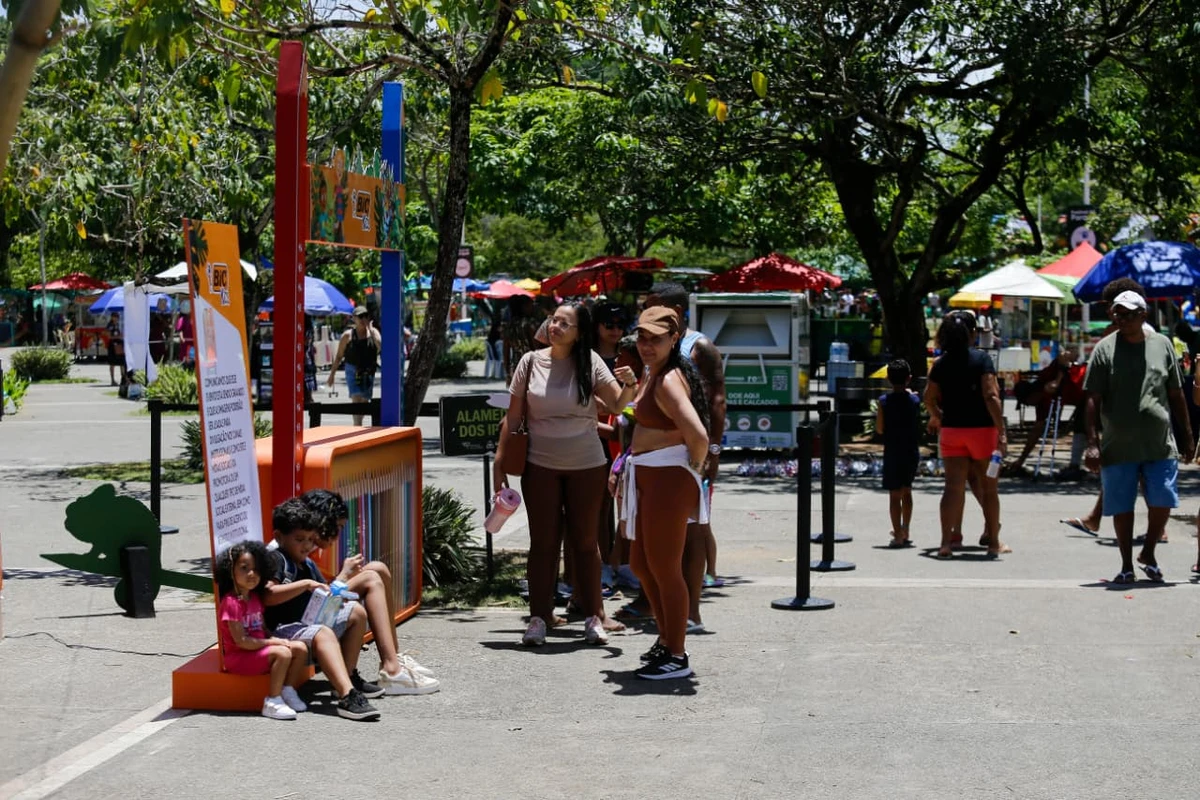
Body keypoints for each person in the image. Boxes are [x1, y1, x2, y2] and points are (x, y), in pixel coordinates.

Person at [494, 301, 638, 648]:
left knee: (586, 544)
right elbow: (512, 419)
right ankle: (539, 618)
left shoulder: (591, 363)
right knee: (542, 544)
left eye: (564, 323)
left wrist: (631, 385)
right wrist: (500, 465)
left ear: (579, 333)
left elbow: (619, 406)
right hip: (539, 465)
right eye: (554, 320)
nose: (555, 326)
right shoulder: (530, 363)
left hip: (587, 465)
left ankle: (593, 616)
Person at [621, 306, 711, 679]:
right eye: (641, 337)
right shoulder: (652, 372)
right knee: (642, 565)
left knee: (665, 568)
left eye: (654, 339)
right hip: (650, 477)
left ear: (673, 339)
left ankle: (677, 654)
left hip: (667, 479)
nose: (645, 345)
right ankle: (666, 639)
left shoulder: (670, 379)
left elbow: (699, 436)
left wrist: (692, 470)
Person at [1083, 287, 1194, 584]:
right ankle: (1126, 563)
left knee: (1163, 500)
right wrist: (1092, 444)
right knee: (1122, 505)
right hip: (1118, 444)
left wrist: (1187, 435)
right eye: (1117, 313)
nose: (1122, 319)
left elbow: (1176, 392)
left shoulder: (1162, 345)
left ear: (1143, 315)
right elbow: (1092, 398)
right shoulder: (1105, 348)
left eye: (1129, 314)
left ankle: (1148, 552)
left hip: (1159, 442)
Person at [643, 282, 727, 625]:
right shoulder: (650, 346)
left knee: (692, 531)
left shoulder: (701, 347)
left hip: (687, 454)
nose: (646, 314)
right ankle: (659, 605)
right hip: (653, 456)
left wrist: (712, 454)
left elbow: (718, 401)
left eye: (654, 307)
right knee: (653, 541)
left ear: (675, 312)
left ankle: (691, 610)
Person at [297, 488, 439, 690]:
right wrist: (344, 575)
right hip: (306, 621)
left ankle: (393, 659)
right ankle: (392, 670)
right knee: (371, 578)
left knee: (377, 569)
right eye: (336, 527)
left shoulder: (308, 546)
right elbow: (314, 599)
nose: (337, 535)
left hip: (315, 610)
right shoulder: (298, 547)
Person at [262, 498, 382, 720]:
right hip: (283, 630)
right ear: (279, 537)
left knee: (356, 612)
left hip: (309, 624)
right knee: (323, 632)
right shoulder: (276, 559)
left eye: (310, 539)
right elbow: (268, 595)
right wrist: (305, 585)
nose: (306, 545)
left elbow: (324, 591)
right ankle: (348, 697)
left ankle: (343, 681)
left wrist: (338, 598)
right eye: (299, 539)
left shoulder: (307, 563)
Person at [925, 314, 1010, 559]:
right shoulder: (982, 359)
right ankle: (993, 543)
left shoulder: (940, 364)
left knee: (952, 488)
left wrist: (937, 416)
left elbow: (928, 397)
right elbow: (991, 396)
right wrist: (1001, 431)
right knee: (990, 489)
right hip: (983, 432)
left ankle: (945, 544)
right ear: (971, 334)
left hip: (952, 431)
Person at [215, 540, 309, 720]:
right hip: (239, 657)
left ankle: (287, 690)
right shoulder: (231, 603)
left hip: (258, 649)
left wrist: (276, 638)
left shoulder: (255, 598)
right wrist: (274, 642)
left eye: (256, 569)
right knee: (282, 653)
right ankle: (272, 701)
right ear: (230, 570)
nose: (251, 574)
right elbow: (241, 641)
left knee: (300, 648)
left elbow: (262, 628)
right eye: (244, 568)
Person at [877, 359, 920, 548]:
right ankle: (906, 528)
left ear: (888, 379)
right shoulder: (914, 400)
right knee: (907, 492)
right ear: (909, 379)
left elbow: (879, 429)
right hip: (910, 450)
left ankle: (898, 535)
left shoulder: (884, 402)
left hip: (892, 451)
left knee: (894, 495)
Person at [327, 307, 380, 426]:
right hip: (353, 369)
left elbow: (380, 346)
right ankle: (357, 427)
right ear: (354, 319)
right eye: (360, 317)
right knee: (356, 399)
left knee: (364, 401)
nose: (363, 319)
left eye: (365, 316)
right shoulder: (347, 335)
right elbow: (339, 356)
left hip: (368, 371)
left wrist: (371, 331)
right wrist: (332, 375)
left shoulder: (373, 332)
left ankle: (358, 423)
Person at [106, 312, 125, 386]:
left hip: (119, 344)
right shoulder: (110, 326)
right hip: (112, 345)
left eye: (117, 317)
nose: (117, 318)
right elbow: (109, 337)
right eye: (115, 317)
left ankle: (123, 378)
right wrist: (118, 337)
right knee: (112, 363)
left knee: (122, 362)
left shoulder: (117, 325)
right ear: (112, 317)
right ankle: (112, 380)